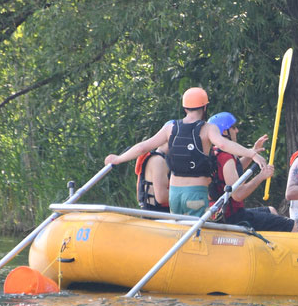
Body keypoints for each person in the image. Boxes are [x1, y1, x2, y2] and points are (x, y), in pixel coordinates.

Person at [105, 87, 265, 216]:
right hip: (195, 194)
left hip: (175, 195)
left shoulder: (170, 127)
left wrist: (118, 158)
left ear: (185, 108)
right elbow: (223, 144)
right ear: (205, 107)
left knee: (179, 232)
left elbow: (142, 147)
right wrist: (251, 153)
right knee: (195, 237)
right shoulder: (208, 128)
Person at [208, 112, 297, 232]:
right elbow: (238, 194)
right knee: (292, 225)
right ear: (224, 132)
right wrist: (261, 176)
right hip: (233, 217)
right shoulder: (226, 157)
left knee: (271, 210)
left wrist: (252, 152)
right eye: (233, 127)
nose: (237, 130)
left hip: (226, 213)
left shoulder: (217, 152)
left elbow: (234, 171)